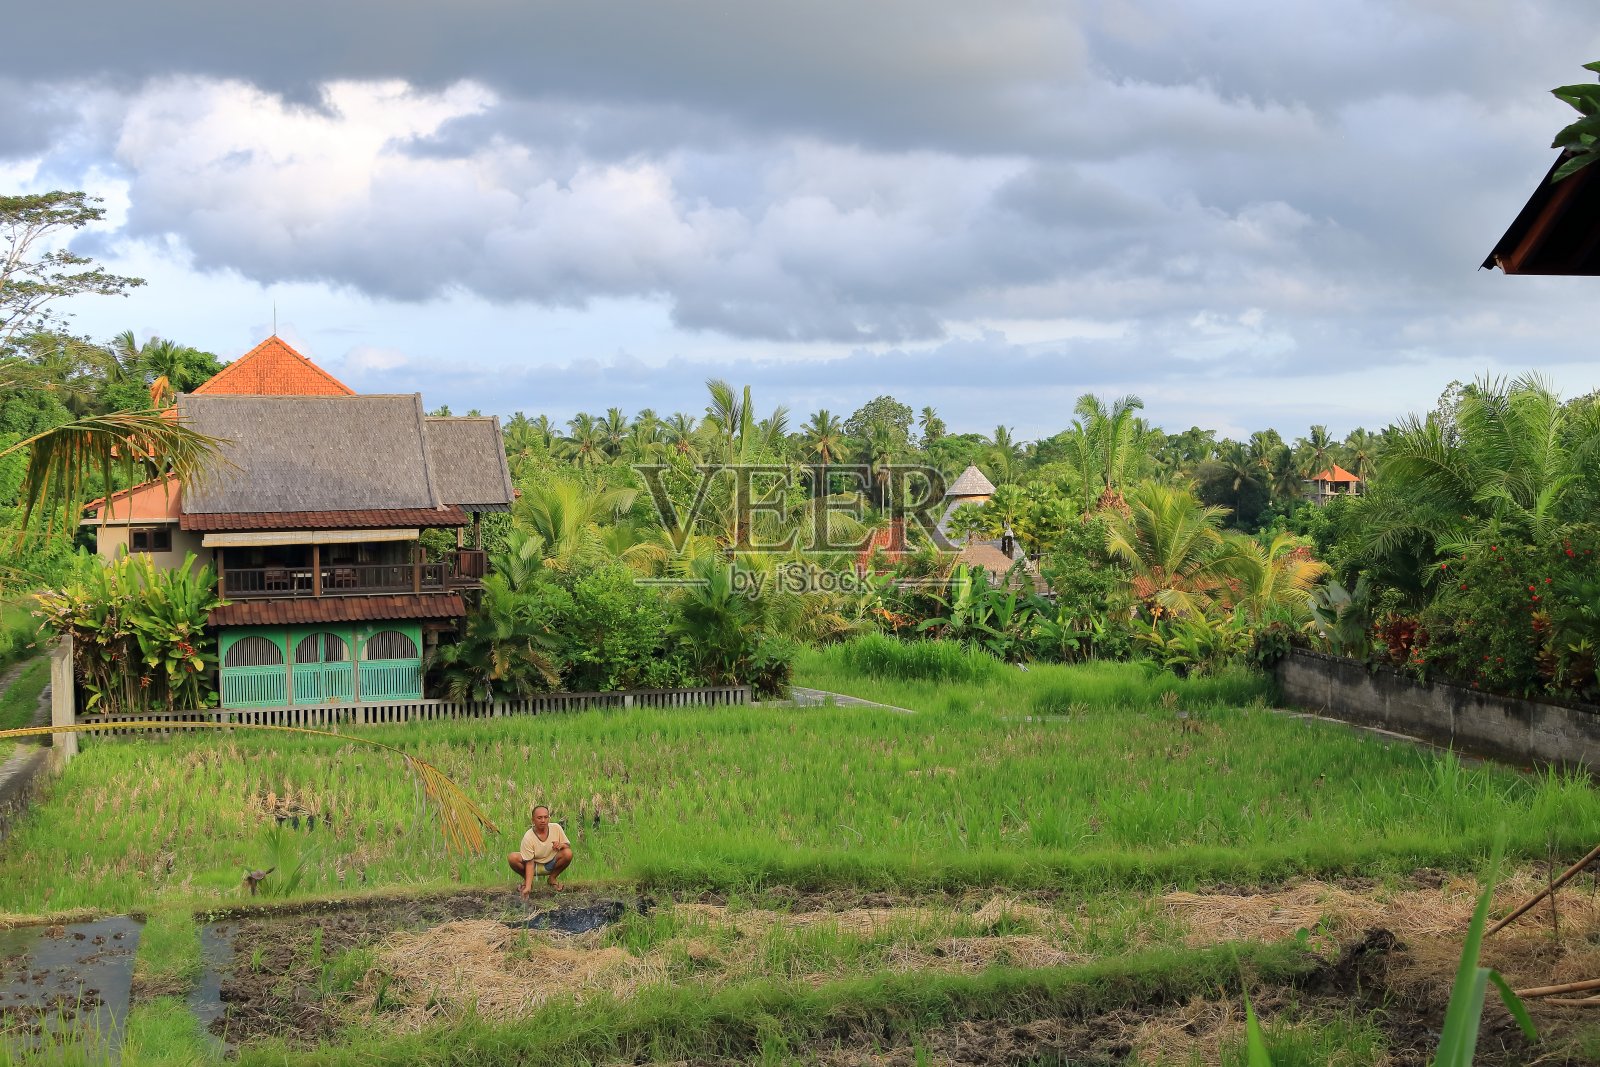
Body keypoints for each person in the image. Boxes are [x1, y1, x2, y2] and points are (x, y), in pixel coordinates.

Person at [508, 804, 572, 895]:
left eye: (546, 817)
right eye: (539, 818)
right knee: (512, 857)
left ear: (549, 818)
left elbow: (567, 846)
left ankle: (552, 879)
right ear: (533, 820)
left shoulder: (556, 828)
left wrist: (561, 845)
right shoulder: (528, 837)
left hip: (551, 863)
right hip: (533, 866)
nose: (543, 820)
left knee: (568, 853)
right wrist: (528, 887)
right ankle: (527, 881)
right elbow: (529, 863)